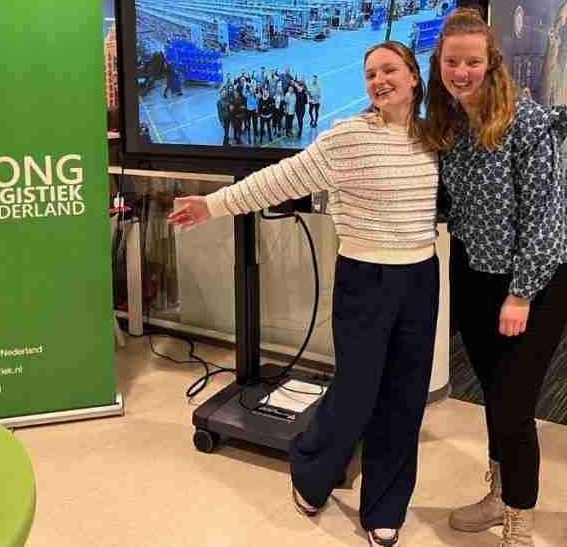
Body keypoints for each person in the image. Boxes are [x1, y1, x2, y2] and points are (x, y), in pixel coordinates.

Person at [169, 42, 439, 547]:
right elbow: (279, 178)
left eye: (389, 70)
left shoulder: (434, 137)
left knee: (405, 399)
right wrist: (212, 204)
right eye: (370, 73)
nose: (379, 80)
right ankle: (311, 472)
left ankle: (386, 506)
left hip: (420, 280)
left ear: (414, 76)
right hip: (364, 279)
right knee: (355, 394)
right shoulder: (346, 138)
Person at [422, 7, 567, 547]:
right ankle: (498, 494)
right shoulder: (450, 127)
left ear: (492, 64)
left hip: (532, 286)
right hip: (474, 277)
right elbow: (444, 204)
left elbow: (545, 218)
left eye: (472, 62)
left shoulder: (525, 124)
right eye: (451, 62)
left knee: (513, 406)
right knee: (492, 395)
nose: (461, 72)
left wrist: (521, 294)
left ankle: (520, 526)